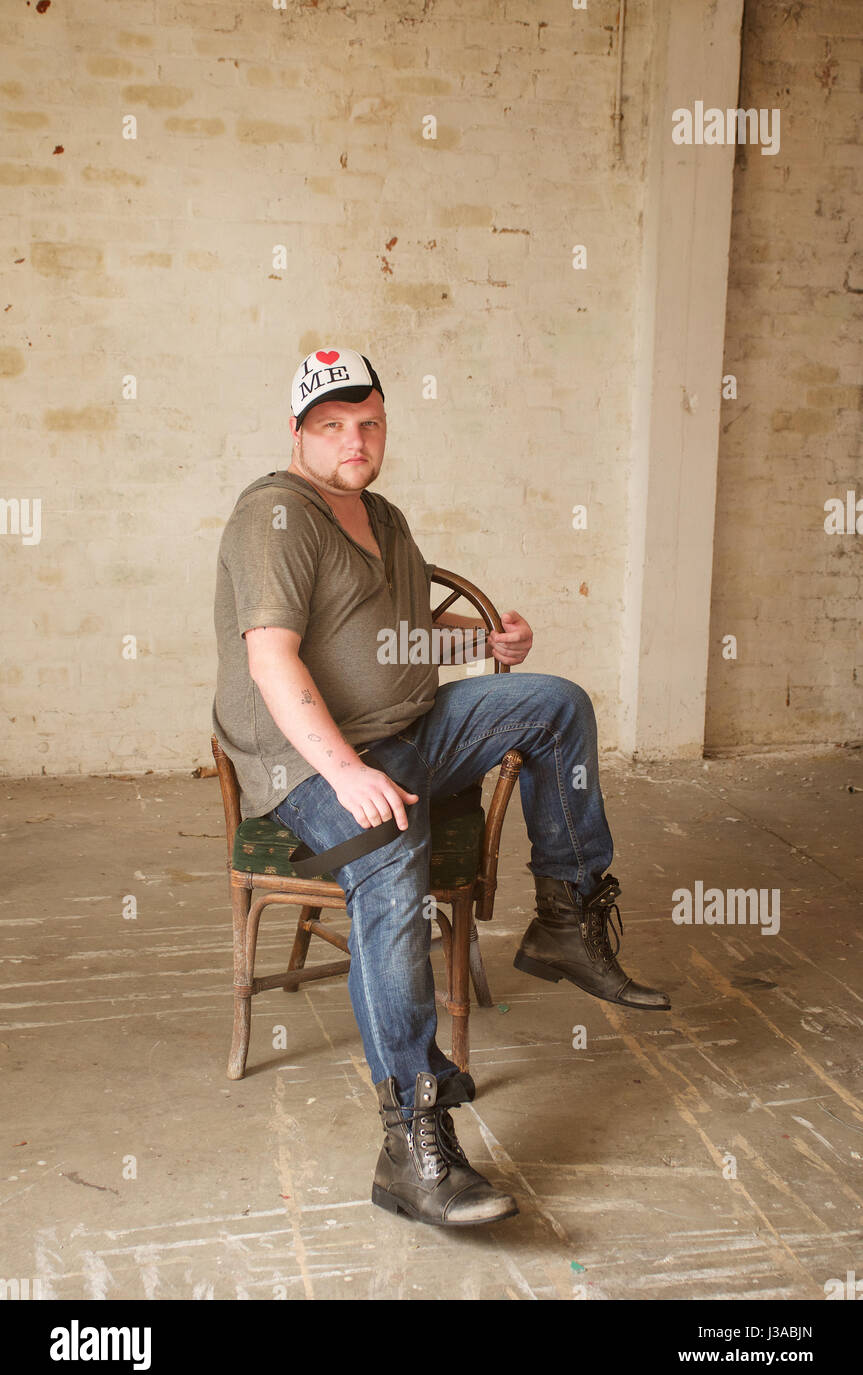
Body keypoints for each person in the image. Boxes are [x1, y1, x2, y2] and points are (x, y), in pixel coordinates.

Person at [213, 347, 671, 1229]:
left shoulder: (381, 516)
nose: (355, 439)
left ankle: (564, 924)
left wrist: (484, 646)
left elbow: (401, 636)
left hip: (410, 731)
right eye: (333, 426)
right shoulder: (274, 516)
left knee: (552, 704)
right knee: (390, 853)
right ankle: (411, 1137)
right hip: (308, 760)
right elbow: (270, 658)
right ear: (299, 433)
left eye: (369, 422)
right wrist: (346, 772)